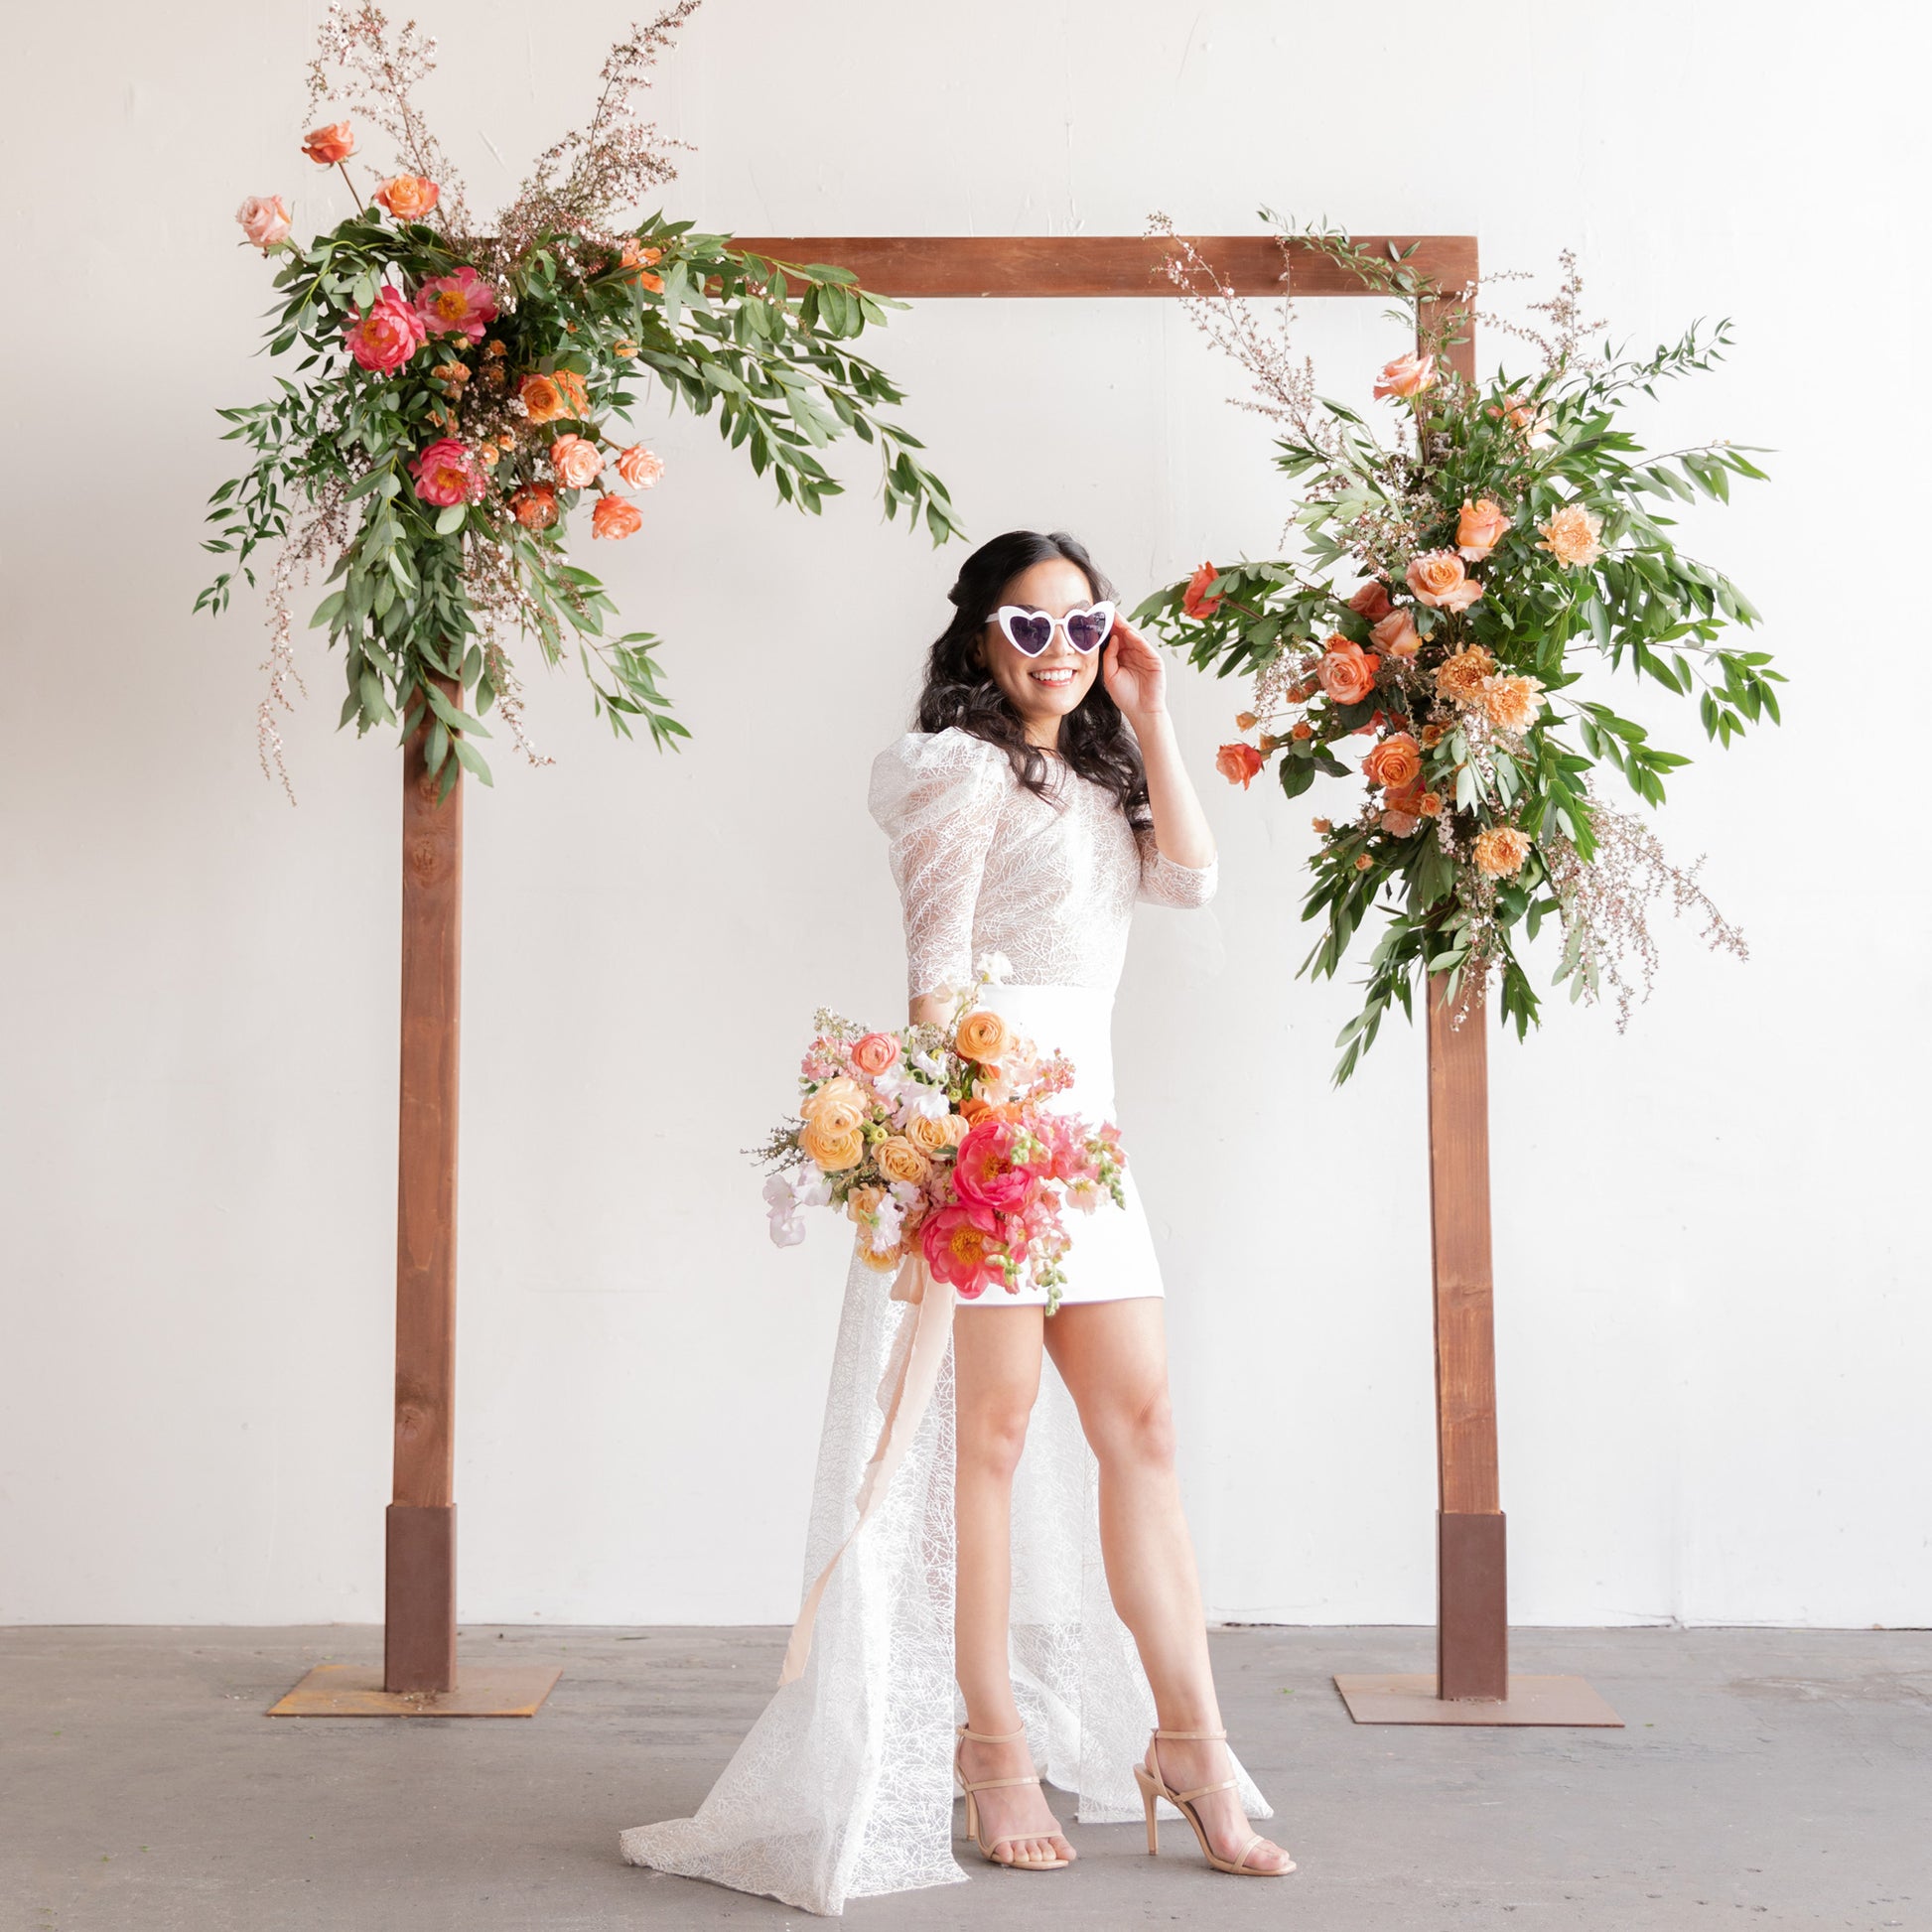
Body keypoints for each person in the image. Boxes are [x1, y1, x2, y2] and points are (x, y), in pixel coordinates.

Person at [621, 530, 1294, 1914]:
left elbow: (1191, 881)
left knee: (1144, 1426)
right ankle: (992, 1745)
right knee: (980, 1445)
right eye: (1029, 627)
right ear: (979, 635)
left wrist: (1153, 713)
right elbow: (933, 973)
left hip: (1088, 1142)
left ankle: (1193, 1741)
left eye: (1082, 625)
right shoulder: (955, 769)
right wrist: (944, 1143)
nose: (1058, 654)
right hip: (990, 1129)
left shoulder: (1097, 768)